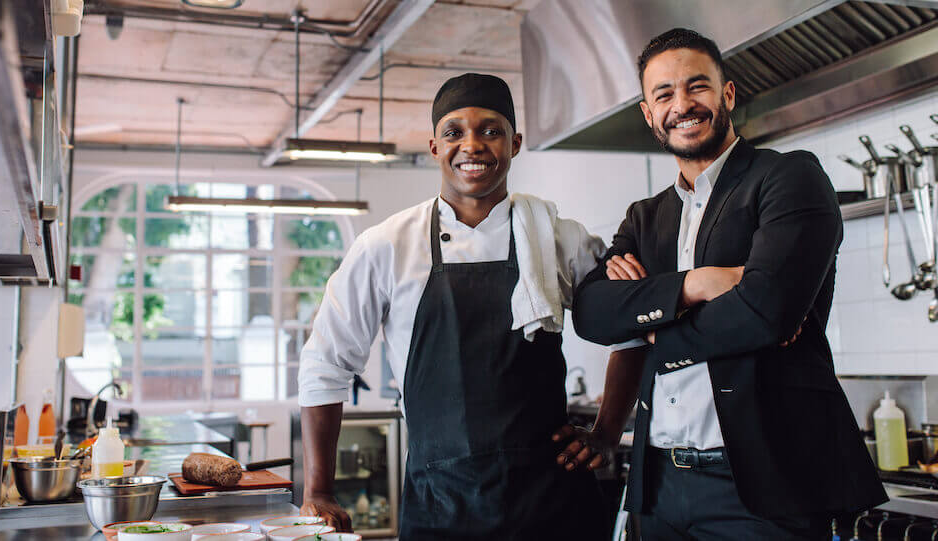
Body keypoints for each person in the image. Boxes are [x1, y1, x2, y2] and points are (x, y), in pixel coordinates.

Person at [561, 28, 887, 540]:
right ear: (649, 114)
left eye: (698, 87)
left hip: (763, 490)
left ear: (727, 94)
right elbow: (593, 314)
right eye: (664, 94)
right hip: (660, 485)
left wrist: (650, 326)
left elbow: (765, 312)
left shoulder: (787, 178)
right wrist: (697, 285)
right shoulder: (644, 218)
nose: (682, 105)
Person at [297, 73, 624, 540]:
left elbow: (631, 326)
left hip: (552, 504)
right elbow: (325, 364)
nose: (472, 145)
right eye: (454, 132)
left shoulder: (558, 237)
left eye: (490, 130)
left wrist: (607, 431)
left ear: (515, 143)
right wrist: (320, 489)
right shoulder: (387, 246)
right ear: (434, 147)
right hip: (441, 508)